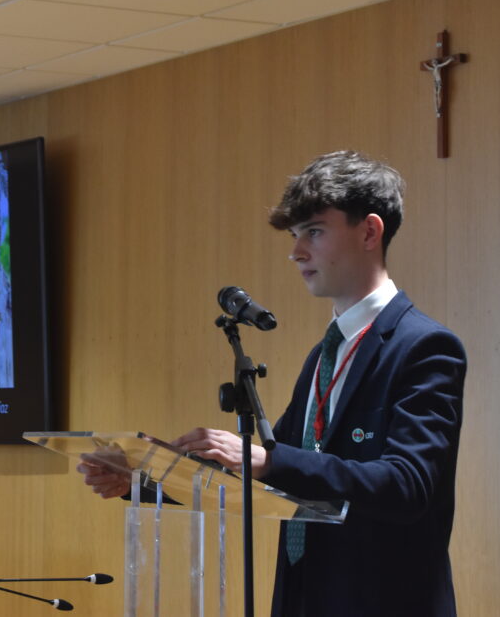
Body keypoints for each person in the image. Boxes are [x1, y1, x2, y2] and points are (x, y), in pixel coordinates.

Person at [79, 150, 467, 616]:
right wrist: (144, 478)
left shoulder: (425, 347)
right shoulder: (326, 353)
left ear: (369, 231)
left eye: (314, 232)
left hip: (383, 601)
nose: (297, 251)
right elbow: (271, 476)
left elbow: (407, 485)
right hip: (304, 599)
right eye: (295, 235)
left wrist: (268, 459)